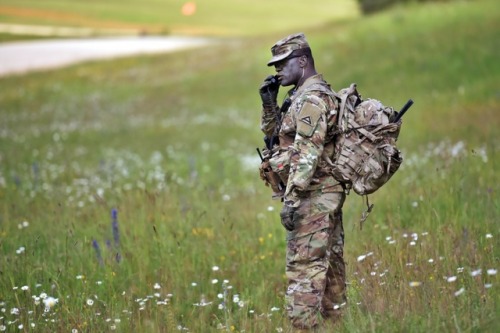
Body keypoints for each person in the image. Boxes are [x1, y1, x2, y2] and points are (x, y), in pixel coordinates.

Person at [258, 33, 347, 331]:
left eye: (283, 63)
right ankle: (337, 326)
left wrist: (292, 199)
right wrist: (268, 104)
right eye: (275, 65)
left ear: (303, 61)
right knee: (331, 268)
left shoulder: (312, 98)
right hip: (323, 195)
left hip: (313, 196)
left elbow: (308, 154)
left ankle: (305, 328)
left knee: (304, 271)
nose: (277, 70)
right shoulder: (297, 96)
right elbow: (275, 137)